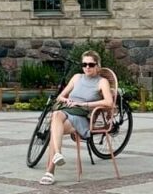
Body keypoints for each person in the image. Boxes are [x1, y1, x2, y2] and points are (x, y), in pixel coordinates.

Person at [39, 51, 113, 185]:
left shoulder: (102, 82)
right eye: (84, 64)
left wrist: (84, 104)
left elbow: (109, 103)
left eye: (91, 64)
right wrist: (66, 101)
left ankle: (50, 170)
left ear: (98, 66)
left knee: (55, 127)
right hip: (67, 110)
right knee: (56, 117)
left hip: (82, 117)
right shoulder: (76, 77)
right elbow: (61, 96)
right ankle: (56, 157)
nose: (87, 67)